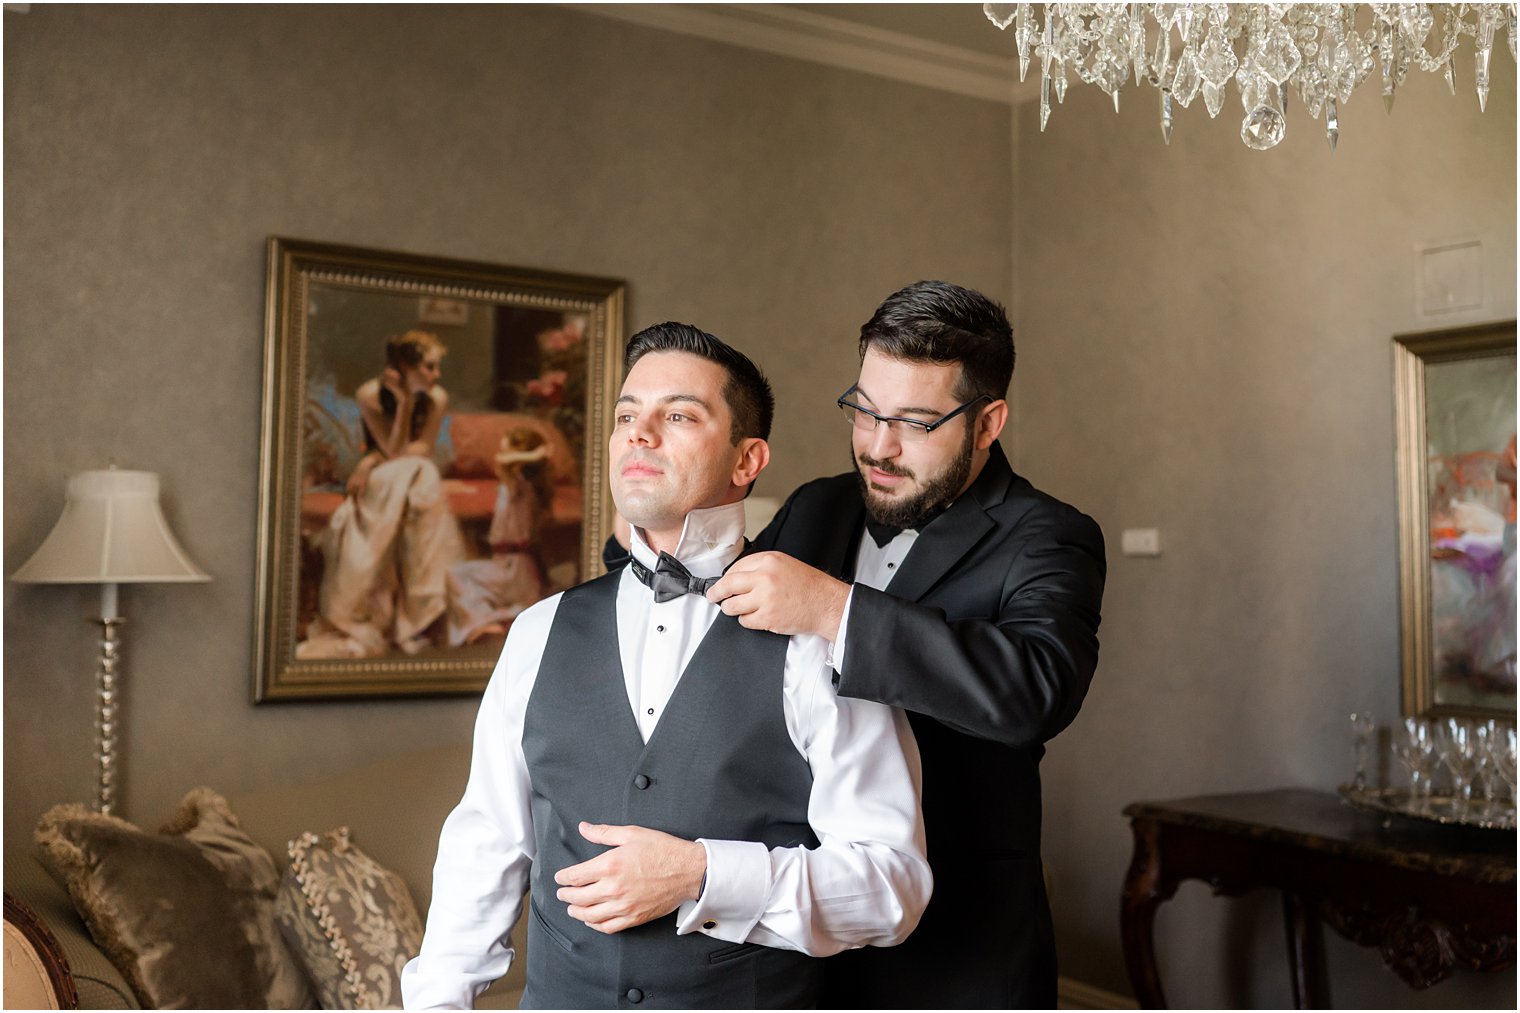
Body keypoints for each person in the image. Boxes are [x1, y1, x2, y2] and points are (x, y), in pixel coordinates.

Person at [402, 323, 932, 1010]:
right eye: (627, 415)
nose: (639, 433)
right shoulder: (537, 632)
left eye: (677, 414)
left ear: (747, 460)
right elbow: (486, 848)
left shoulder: (818, 639)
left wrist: (701, 874)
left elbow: (894, 887)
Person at [610, 281, 1106, 1006]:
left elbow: (1035, 690)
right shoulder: (818, 504)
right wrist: (651, 538)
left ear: (988, 420)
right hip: (800, 935)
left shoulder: (1050, 536)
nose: (878, 445)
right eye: (865, 410)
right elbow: (717, 623)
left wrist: (837, 609)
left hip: (962, 947)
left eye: (913, 422)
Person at [298, 329, 465, 659]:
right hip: (379, 478)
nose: (436, 375)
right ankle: (411, 616)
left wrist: (374, 458)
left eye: (436, 367)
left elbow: (421, 449)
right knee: (420, 475)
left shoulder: (437, 398)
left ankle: (421, 615)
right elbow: (392, 447)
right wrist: (402, 404)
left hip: (409, 471)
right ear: (404, 366)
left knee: (422, 472)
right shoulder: (370, 394)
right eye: (428, 367)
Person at [445, 427, 551, 646]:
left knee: (456, 575)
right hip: (507, 564)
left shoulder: (521, 485)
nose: (498, 458)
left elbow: (503, 462)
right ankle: (498, 620)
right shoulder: (514, 485)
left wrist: (535, 455)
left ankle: (484, 622)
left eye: (506, 451)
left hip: (515, 567)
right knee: (464, 578)